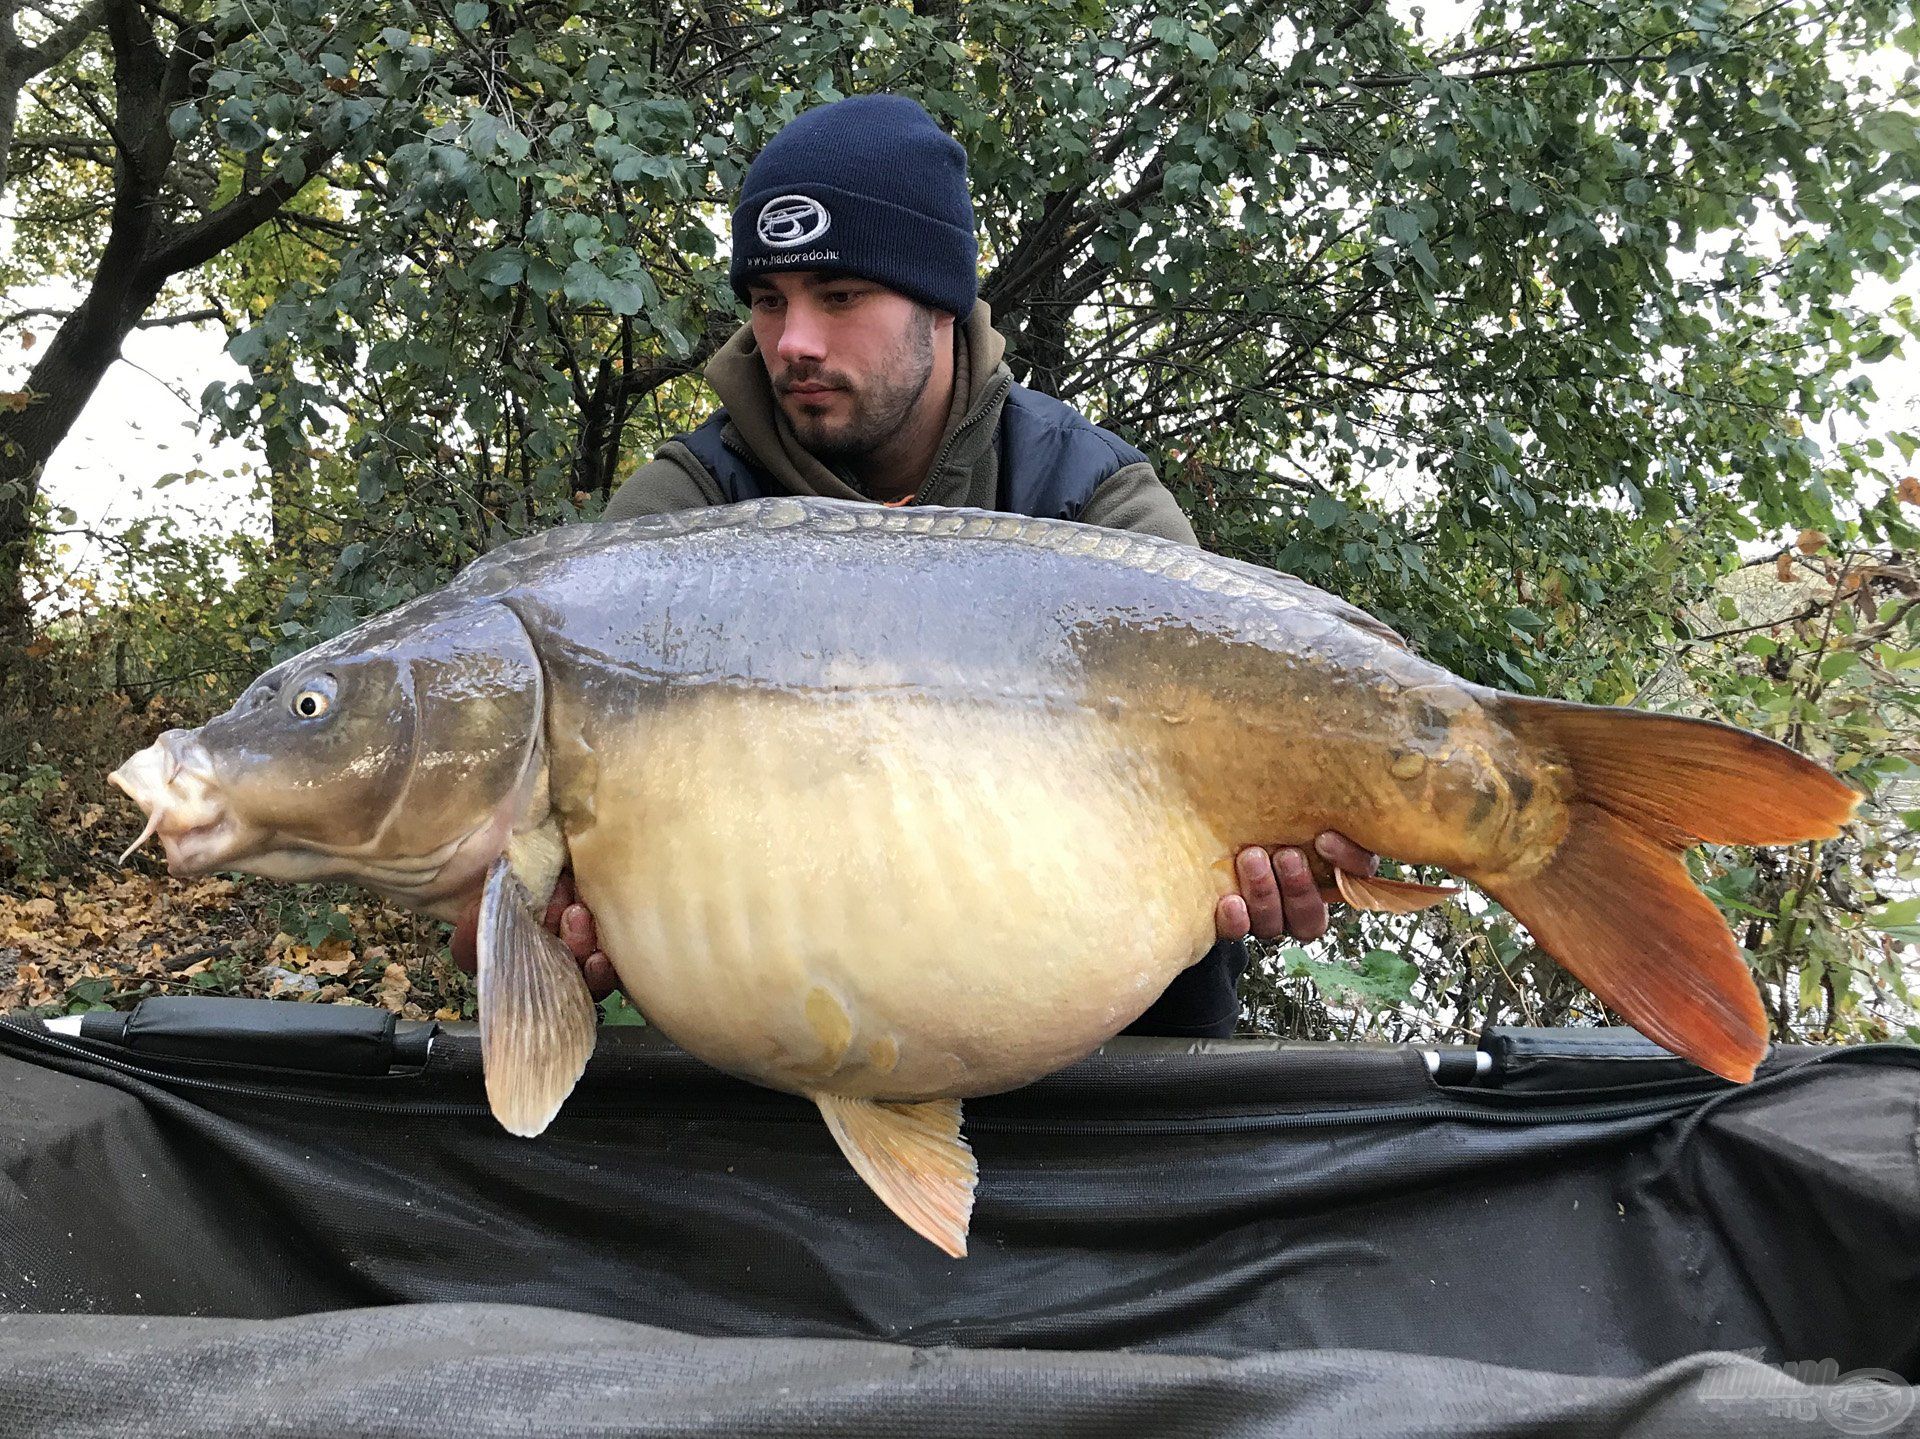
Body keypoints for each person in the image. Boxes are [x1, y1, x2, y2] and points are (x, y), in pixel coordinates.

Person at [454, 93, 1377, 1036]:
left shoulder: (1093, 503)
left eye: (840, 296)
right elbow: (502, 895)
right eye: (769, 302)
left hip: (1105, 1067)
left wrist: (1284, 873)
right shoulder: (680, 519)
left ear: (939, 301)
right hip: (784, 1069)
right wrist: (528, 923)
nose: (795, 342)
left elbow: (1229, 818)